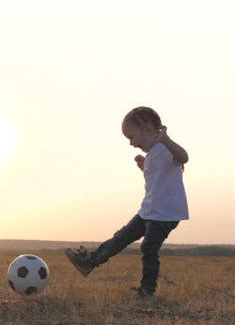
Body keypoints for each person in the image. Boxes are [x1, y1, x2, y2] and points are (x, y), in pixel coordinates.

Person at [65, 106, 189, 297]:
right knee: (121, 237)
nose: (131, 143)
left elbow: (184, 157)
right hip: (149, 211)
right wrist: (144, 168)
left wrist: (166, 139)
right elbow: (158, 181)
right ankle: (90, 261)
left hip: (165, 214)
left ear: (148, 128)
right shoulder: (153, 153)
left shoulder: (164, 147)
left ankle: (147, 290)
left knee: (148, 247)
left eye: (132, 137)